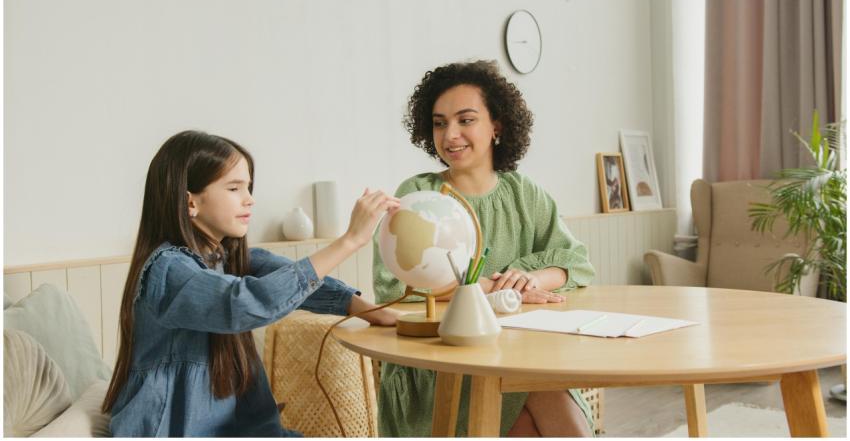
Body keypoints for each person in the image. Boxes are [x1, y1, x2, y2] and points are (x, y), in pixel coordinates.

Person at [101, 130, 400, 436]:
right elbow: (245, 303)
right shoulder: (167, 271)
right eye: (234, 188)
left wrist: (370, 311)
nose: (250, 199)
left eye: (249, 187)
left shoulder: (228, 258)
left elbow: (299, 279)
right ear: (190, 202)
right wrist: (349, 241)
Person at [373, 60, 597, 437]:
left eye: (465, 120)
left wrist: (529, 277)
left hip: (517, 357)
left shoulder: (525, 194)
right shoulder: (418, 194)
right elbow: (395, 290)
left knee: (537, 396)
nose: (451, 135)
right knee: (536, 407)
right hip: (440, 367)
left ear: (497, 125)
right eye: (440, 122)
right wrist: (494, 288)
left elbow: (576, 262)